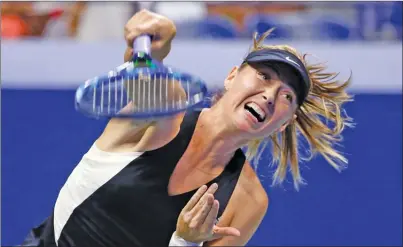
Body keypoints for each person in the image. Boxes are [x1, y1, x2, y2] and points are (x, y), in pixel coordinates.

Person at [23, 9, 353, 247]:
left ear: (285, 122)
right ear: (231, 76)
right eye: (264, 76)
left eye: (286, 96)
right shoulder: (167, 111)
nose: (269, 95)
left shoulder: (248, 200)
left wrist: (186, 242)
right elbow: (145, 76)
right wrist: (156, 43)